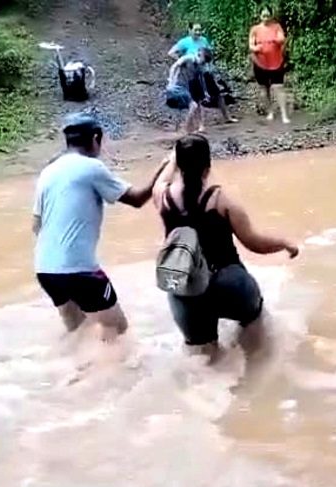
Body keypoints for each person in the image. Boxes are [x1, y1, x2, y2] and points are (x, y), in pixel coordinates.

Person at [152, 134, 299, 360]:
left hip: (185, 288)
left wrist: (173, 158)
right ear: (208, 166)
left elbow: (161, 180)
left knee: (205, 361)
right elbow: (255, 243)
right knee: (258, 343)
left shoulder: (162, 197)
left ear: (179, 164)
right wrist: (285, 243)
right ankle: (256, 385)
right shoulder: (221, 199)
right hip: (229, 282)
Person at [32, 113, 168, 342]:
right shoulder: (92, 167)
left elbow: (36, 225)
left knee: (78, 334)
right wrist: (163, 168)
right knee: (118, 332)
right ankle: (116, 375)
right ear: (96, 138)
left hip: (45, 269)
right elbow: (137, 199)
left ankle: (75, 373)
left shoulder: (48, 172)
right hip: (79, 270)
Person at [169, 25, 238, 125]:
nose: (198, 32)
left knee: (218, 94)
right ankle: (194, 124)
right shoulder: (184, 42)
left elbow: (209, 54)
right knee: (196, 99)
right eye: (195, 30)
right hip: (193, 74)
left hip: (205, 71)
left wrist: (211, 67)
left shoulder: (204, 40)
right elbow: (171, 53)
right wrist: (183, 61)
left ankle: (227, 117)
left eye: (199, 30)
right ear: (190, 30)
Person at [249, 6, 290, 124]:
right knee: (264, 89)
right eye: (264, 16)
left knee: (278, 87)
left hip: (276, 62)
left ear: (271, 16)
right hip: (260, 63)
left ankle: (284, 114)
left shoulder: (276, 27)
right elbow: (251, 45)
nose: (266, 18)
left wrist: (277, 40)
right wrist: (256, 48)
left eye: (268, 15)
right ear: (260, 16)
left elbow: (282, 39)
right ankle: (270, 111)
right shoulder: (255, 29)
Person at [166, 49, 208, 133]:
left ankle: (188, 128)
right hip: (177, 86)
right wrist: (170, 80)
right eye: (203, 61)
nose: (203, 63)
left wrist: (205, 91)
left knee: (193, 105)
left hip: (185, 87)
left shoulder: (199, 66)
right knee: (193, 105)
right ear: (199, 55)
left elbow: (201, 78)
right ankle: (187, 129)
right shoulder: (188, 58)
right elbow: (175, 66)